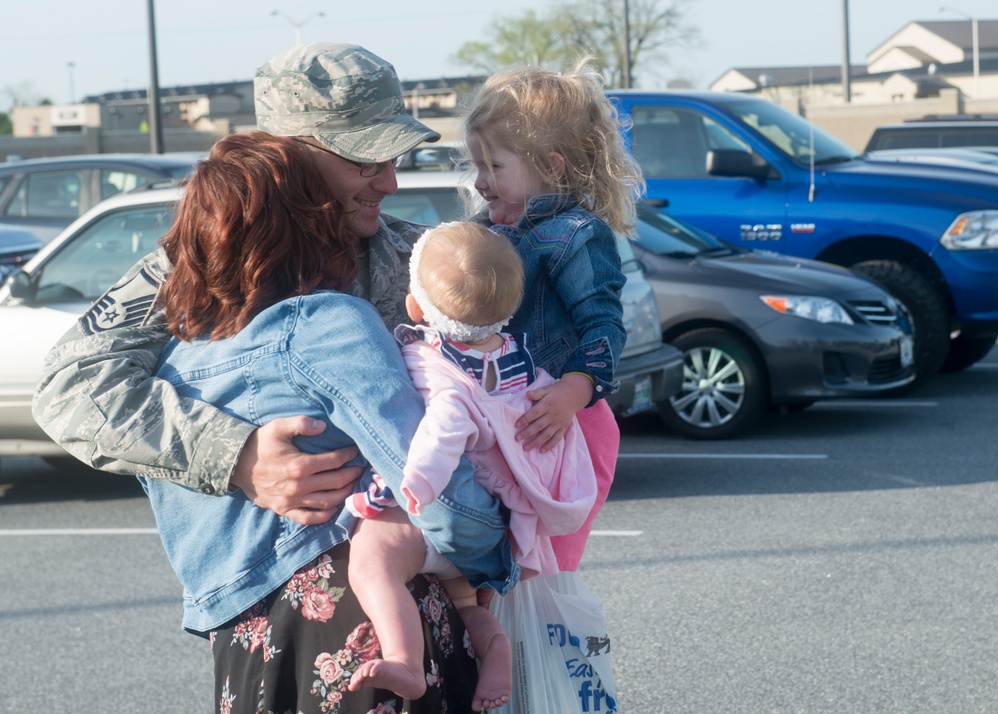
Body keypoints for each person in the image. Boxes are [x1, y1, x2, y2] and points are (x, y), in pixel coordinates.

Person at [32, 43, 516, 714]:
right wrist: (234, 455)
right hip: (285, 611)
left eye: (393, 158)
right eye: (363, 159)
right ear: (286, 153)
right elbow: (72, 388)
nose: (389, 183)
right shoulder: (202, 259)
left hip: (433, 596)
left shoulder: (424, 260)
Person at [346, 220, 597, 709]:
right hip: (499, 523)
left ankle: (403, 659)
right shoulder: (523, 362)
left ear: (415, 308)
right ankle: (494, 645)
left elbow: (443, 430)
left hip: (448, 512)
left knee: (373, 560)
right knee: (466, 600)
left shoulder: (438, 369)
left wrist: (411, 484)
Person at [459, 61, 644, 713]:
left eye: (494, 165)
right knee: (503, 578)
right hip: (521, 428)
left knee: (542, 577)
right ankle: (519, 682)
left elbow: (602, 320)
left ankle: (553, 687)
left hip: (570, 426)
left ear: (553, 167)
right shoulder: (491, 232)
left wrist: (575, 389)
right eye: (475, 165)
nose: (480, 181)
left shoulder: (574, 234)